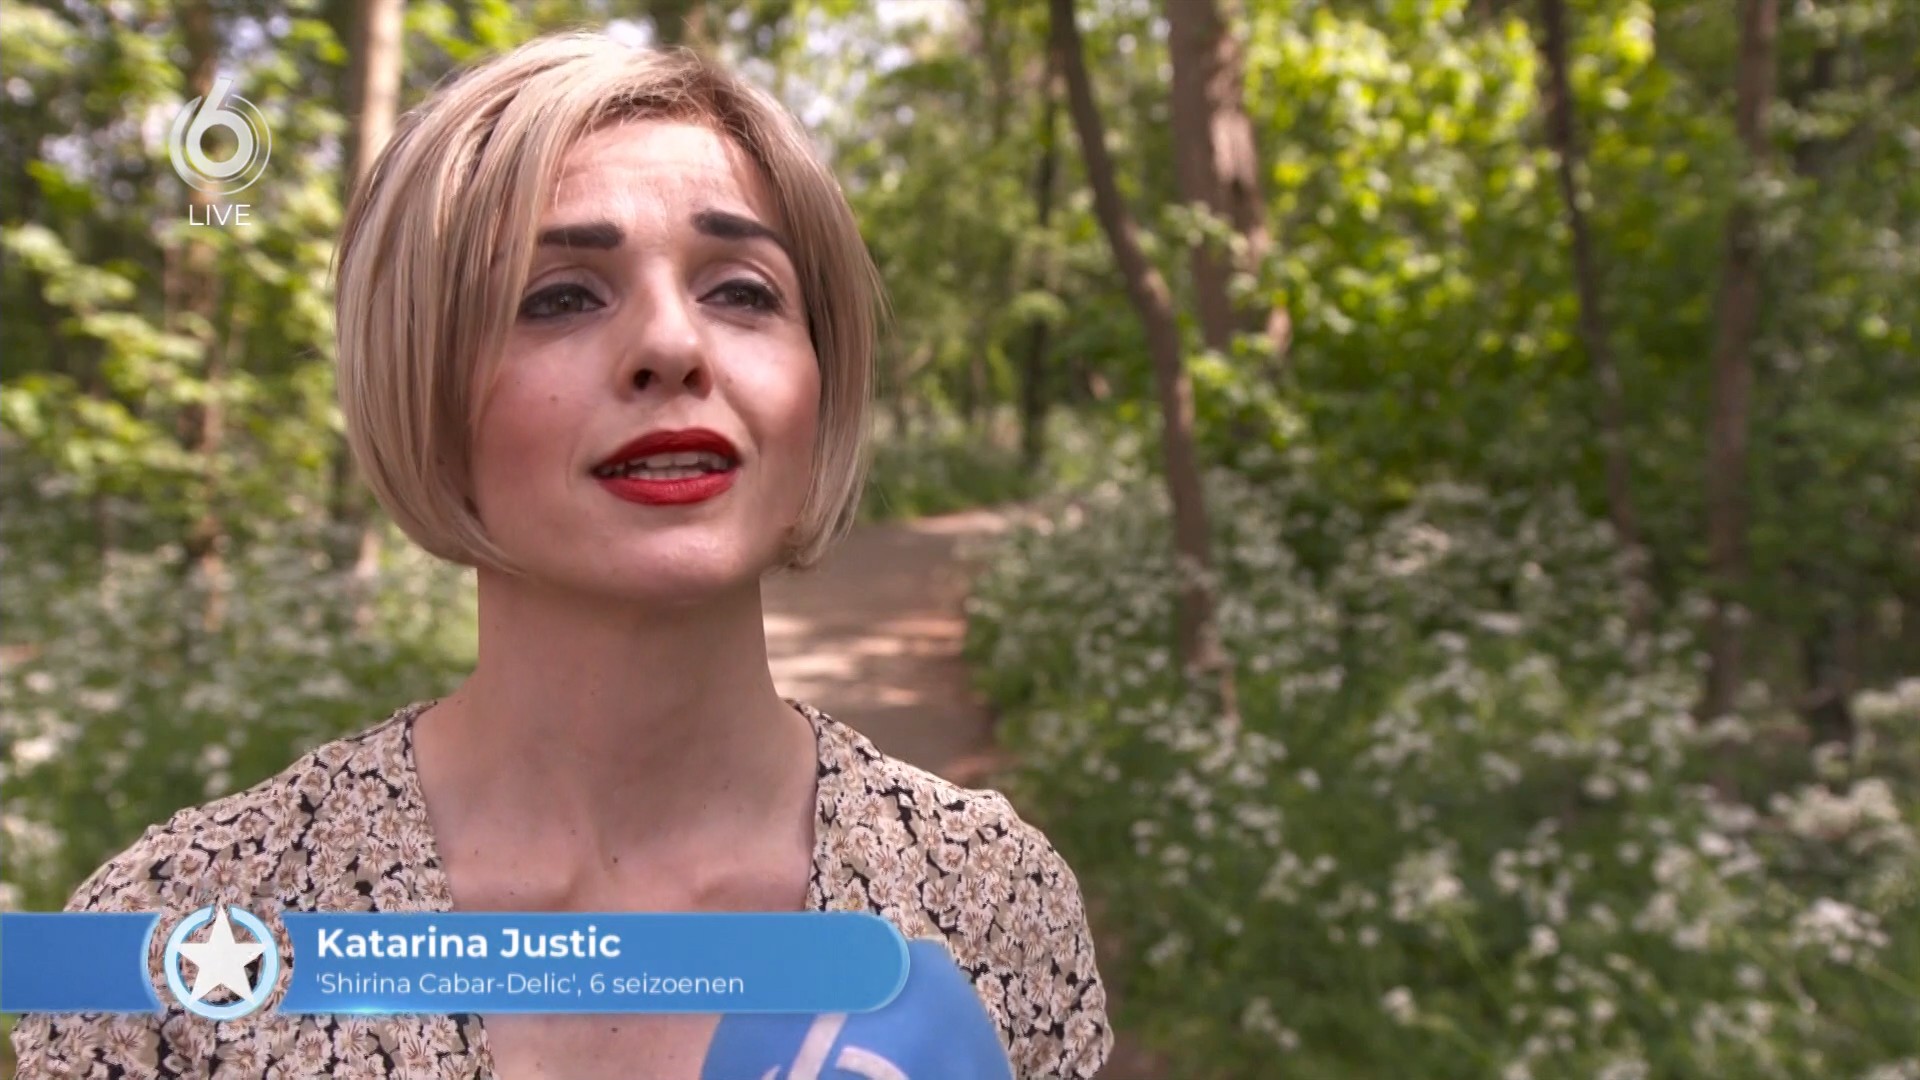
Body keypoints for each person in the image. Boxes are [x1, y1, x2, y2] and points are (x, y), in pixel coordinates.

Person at [12, 30, 1111, 1079]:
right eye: (561, 298)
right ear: (425, 390)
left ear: (819, 385)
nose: (672, 345)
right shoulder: (173, 941)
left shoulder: (989, 896)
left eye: (742, 291)